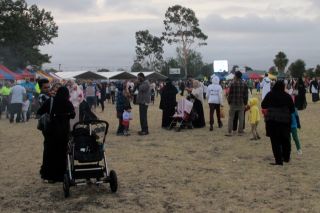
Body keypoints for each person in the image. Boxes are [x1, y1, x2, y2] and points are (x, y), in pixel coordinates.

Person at [37, 87, 75, 182]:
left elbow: (39, 112)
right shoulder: (68, 103)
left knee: (49, 153)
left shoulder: (51, 101)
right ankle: (61, 175)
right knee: (62, 153)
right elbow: (73, 115)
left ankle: (49, 176)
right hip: (63, 132)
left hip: (51, 131)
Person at [261, 80, 295, 166]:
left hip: (273, 121)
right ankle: (286, 158)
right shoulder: (287, 96)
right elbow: (292, 110)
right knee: (285, 139)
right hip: (285, 121)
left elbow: (263, 105)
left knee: (275, 141)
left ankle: (279, 160)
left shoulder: (270, 94)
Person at [225, 71, 248, 136]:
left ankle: (230, 132)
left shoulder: (232, 83)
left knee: (231, 117)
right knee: (241, 118)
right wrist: (245, 103)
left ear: (236, 75)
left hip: (233, 103)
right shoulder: (244, 83)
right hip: (241, 103)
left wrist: (229, 101)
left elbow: (229, 94)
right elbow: (246, 95)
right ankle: (240, 131)